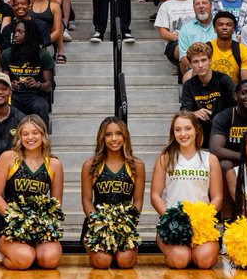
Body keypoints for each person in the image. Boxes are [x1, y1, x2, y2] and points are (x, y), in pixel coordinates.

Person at [0, 115, 64, 270]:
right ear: (19, 137)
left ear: (43, 135)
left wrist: (41, 223)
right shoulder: (9, 158)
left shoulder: (54, 164)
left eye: (35, 133)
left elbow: (56, 203)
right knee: (24, 259)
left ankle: (33, 252)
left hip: (39, 226)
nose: (30, 137)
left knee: (50, 260)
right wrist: (16, 219)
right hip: (10, 224)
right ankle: (5, 254)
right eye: (25, 134)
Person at [150, 112, 222, 269]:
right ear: (173, 133)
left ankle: (194, 252)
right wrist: (171, 219)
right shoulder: (165, 158)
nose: (183, 134)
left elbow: (217, 197)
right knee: (180, 260)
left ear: (196, 130)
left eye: (187, 128)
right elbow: (155, 196)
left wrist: (203, 219)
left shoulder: (210, 159)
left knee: (204, 261)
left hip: (201, 225)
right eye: (178, 130)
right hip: (173, 225)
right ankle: (177, 251)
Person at [80, 117, 145, 269]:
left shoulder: (136, 165)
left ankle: (124, 252)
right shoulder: (90, 165)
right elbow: (87, 201)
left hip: (124, 225)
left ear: (125, 137)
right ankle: (97, 254)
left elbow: (138, 202)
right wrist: (99, 224)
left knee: (125, 262)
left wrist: (126, 224)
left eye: (118, 134)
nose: (114, 139)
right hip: (97, 225)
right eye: (108, 134)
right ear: (102, 138)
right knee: (103, 262)